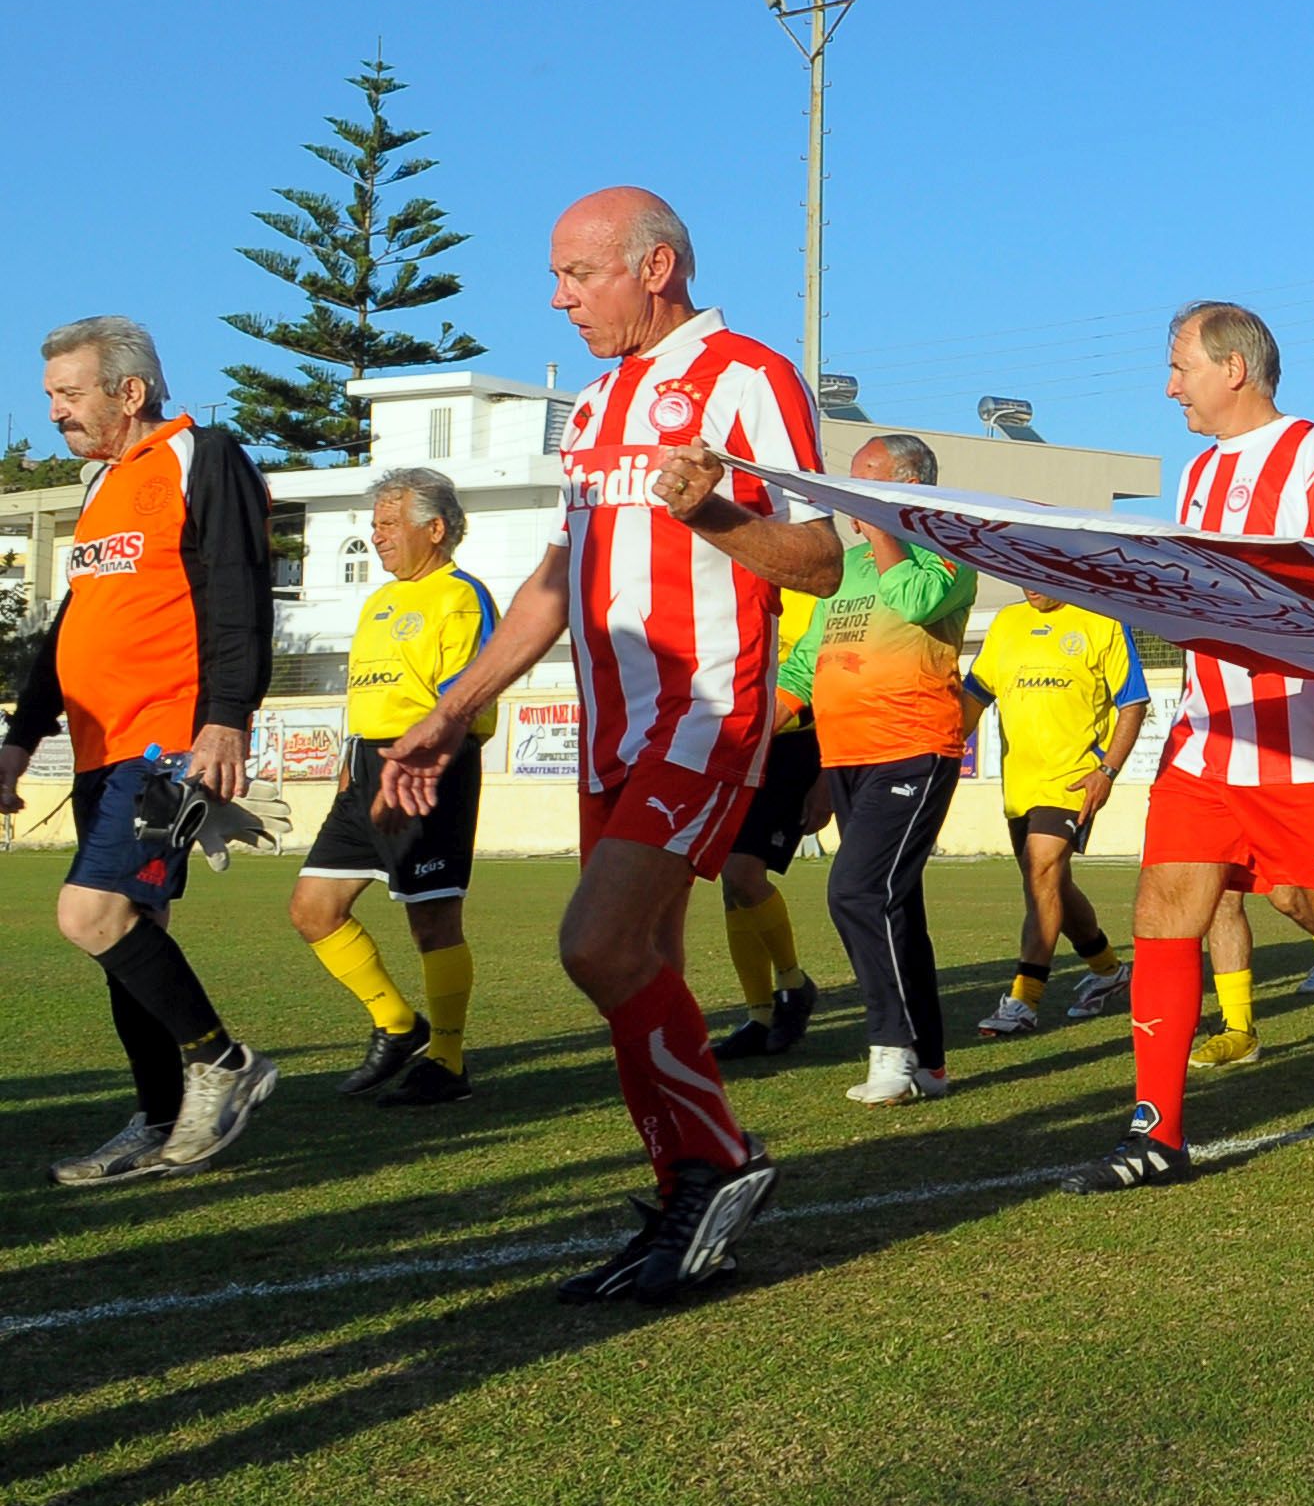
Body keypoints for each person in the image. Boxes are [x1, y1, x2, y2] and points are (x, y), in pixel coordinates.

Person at [379, 190, 839, 1300]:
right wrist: (450, 708)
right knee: (643, 964)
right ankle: (685, 1187)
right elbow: (553, 580)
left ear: (657, 266)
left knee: (594, 944)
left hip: (702, 713)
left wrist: (714, 517)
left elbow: (819, 559)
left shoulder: (748, 376)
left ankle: (721, 1158)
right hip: (611, 732)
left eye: (578, 273)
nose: (558, 295)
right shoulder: (590, 407)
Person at [1062, 303, 1314, 1193]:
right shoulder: (1198, 475)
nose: (1169, 385)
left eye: (1179, 365)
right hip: (1206, 740)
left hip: (1306, 745)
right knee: (1162, 912)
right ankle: (1156, 1129)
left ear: (1234, 368)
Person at [4, 316, 281, 1184]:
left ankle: (224, 1064)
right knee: (132, 933)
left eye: (69, 392)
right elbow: (69, 629)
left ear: (129, 391)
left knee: (90, 915)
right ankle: (159, 1119)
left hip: (166, 743)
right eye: (48, 395)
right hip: (97, 747)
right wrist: (19, 740)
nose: (54, 411)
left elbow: (240, 588)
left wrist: (227, 716)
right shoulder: (101, 488)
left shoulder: (203, 456)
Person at [288, 467, 492, 1105]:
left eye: (386, 524)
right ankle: (399, 1025)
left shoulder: (462, 595)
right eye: (373, 525)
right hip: (366, 770)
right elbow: (373, 690)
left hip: (429, 768)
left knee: (432, 922)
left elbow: (468, 695)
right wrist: (351, 754)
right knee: (313, 910)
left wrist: (426, 758)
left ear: (434, 528)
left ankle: (449, 1064)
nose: (376, 537)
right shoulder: (379, 602)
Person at [780, 433, 973, 1103]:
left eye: (866, 481)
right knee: (895, 907)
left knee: (856, 892)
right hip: (846, 756)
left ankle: (890, 1050)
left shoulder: (947, 550)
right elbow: (808, 661)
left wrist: (887, 527)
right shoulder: (847, 568)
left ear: (907, 487)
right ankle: (931, 1064)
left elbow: (920, 602)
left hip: (913, 748)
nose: (849, 493)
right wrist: (752, 725)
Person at [964, 588, 1148, 1035]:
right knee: (1052, 884)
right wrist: (944, 748)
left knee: (1042, 870)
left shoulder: (1101, 618)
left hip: (1073, 781)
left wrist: (1107, 770)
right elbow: (976, 693)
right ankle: (1109, 971)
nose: (1030, 586)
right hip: (1019, 787)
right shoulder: (1007, 622)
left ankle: (1024, 1000)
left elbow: (1134, 701)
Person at [710, 587, 828, 1059]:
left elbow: (833, 683)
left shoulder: (818, 595)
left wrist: (826, 777)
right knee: (730, 882)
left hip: (794, 745)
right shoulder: (730, 591)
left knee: (742, 872)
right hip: (735, 742)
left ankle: (794, 984)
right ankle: (759, 1015)